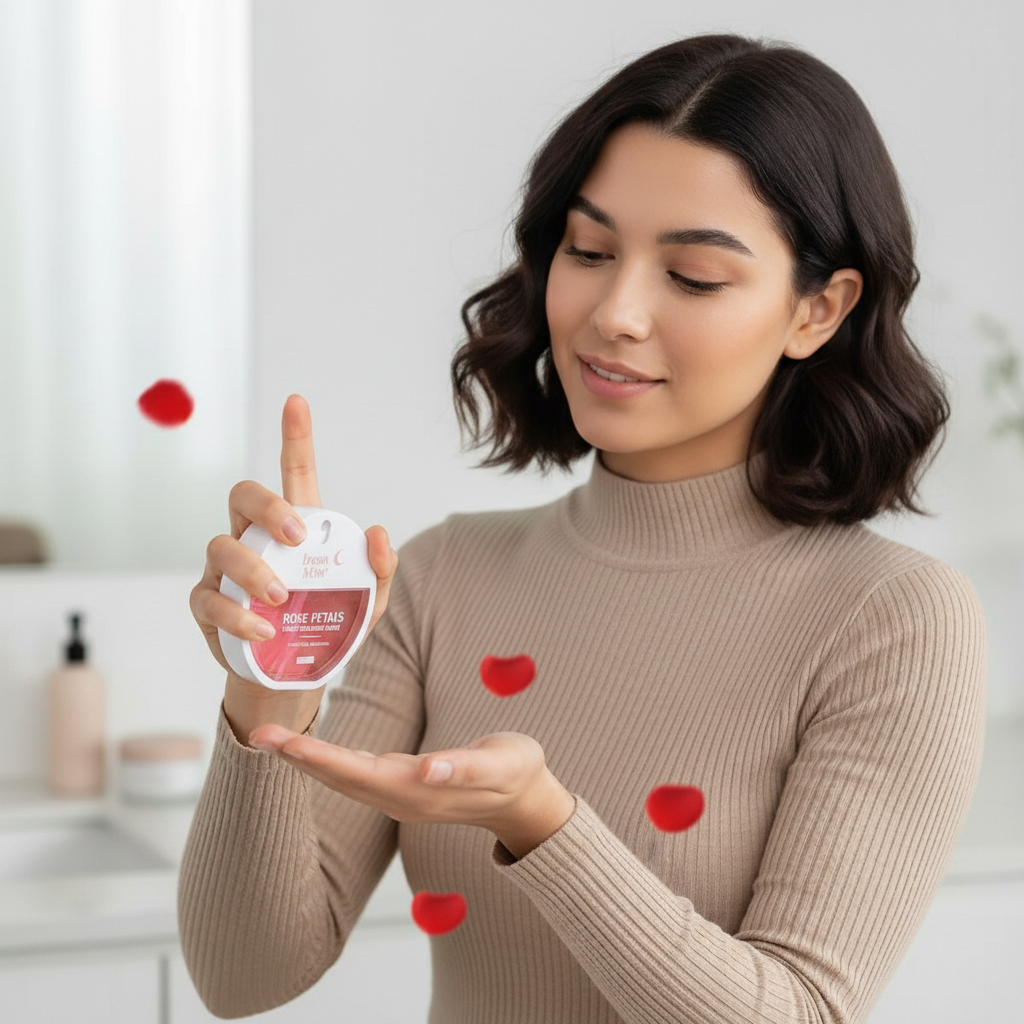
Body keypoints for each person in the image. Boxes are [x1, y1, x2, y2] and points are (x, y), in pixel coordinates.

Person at [179, 32, 987, 1024]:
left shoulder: (891, 616)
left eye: (691, 277)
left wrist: (544, 825)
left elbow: (797, 1011)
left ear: (817, 310)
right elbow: (244, 976)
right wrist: (269, 685)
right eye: (589, 250)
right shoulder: (444, 574)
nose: (613, 312)